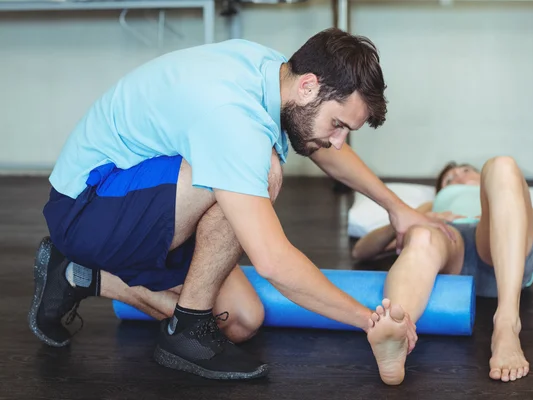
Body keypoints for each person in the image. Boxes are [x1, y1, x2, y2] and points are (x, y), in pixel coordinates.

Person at [28, 28, 448, 381]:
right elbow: (273, 261)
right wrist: (368, 321)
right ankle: (186, 331)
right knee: (260, 167)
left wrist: (396, 208)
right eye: (338, 125)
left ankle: (83, 275)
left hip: (133, 199)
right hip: (88, 205)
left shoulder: (277, 73)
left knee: (243, 319)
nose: (338, 141)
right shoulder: (232, 115)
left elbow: (321, 146)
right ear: (308, 86)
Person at [352, 158, 533, 385]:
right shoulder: (431, 206)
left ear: (480, 178)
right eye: (449, 180)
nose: (458, 177)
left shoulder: (513, 200)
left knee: (503, 165)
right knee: (422, 235)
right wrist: (414, 219)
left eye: (465, 170)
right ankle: (397, 334)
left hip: (499, 245)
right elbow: (361, 251)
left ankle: (507, 323)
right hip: (450, 237)